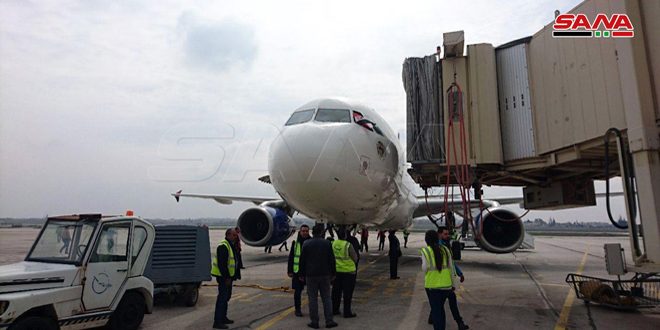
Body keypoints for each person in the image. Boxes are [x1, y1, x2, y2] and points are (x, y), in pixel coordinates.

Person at [427, 227, 469, 330]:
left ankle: (433, 317)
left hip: (442, 282)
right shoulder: (441, 247)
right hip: (443, 283)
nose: (448, 236)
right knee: (449, 301)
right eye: (445, 234)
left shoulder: (444, 246)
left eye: (448, 234)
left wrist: (459, 273)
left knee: (439, 303)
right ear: (439, 235)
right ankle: (459, 322)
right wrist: (459, 274)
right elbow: (451, 264)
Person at [299, 224, 338, 329]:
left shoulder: (306, 243)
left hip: (310, 275)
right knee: (326, 298)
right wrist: (333, 273)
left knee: (312, 299)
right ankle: (329, 321)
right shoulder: (327, 243)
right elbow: (332, 260)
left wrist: (301, 274)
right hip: (325, 275)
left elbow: (302, 261)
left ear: (312, 232)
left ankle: (314, 322)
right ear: (322, 233)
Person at [421, 230, 455, 330]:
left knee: (436, 312)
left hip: (432, 286)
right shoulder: (445, 249)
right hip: (446, 286)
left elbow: (424, 268)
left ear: (426, 239)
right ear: (437, 238)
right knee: (440, 310)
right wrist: (453, 284)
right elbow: (451, 267)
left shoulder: (426, 251)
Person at [212, 228, 239, 329]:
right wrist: (227, 277)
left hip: (229, 277)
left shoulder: (230, 245)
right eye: (234, 235)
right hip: (224, 278)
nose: (235, 237)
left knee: (226, 298)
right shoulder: (223, 246)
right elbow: (222, 264)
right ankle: (217, 322)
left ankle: (223, 317)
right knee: (222, 299)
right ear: (228, 235)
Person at [331, 227, 358, 318]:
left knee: (336, 292)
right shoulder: (348, 245)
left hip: (337, 271)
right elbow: (355, 258)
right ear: (345, 236)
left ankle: (335, 310)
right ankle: (347, 312)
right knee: (347, 294)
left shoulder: (333, 243)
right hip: (348, 272)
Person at [288, 225, 310, 317]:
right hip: (297, 272)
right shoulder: (295, 243)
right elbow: (291, 258)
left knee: (311, 293)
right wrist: (289, 270)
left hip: (309, 272)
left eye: (306, 231)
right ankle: (298, 309)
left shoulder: (311, 242)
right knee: (297, 292)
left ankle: (312, 310)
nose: (305, 233)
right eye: (303, 231)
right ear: (300, 232)